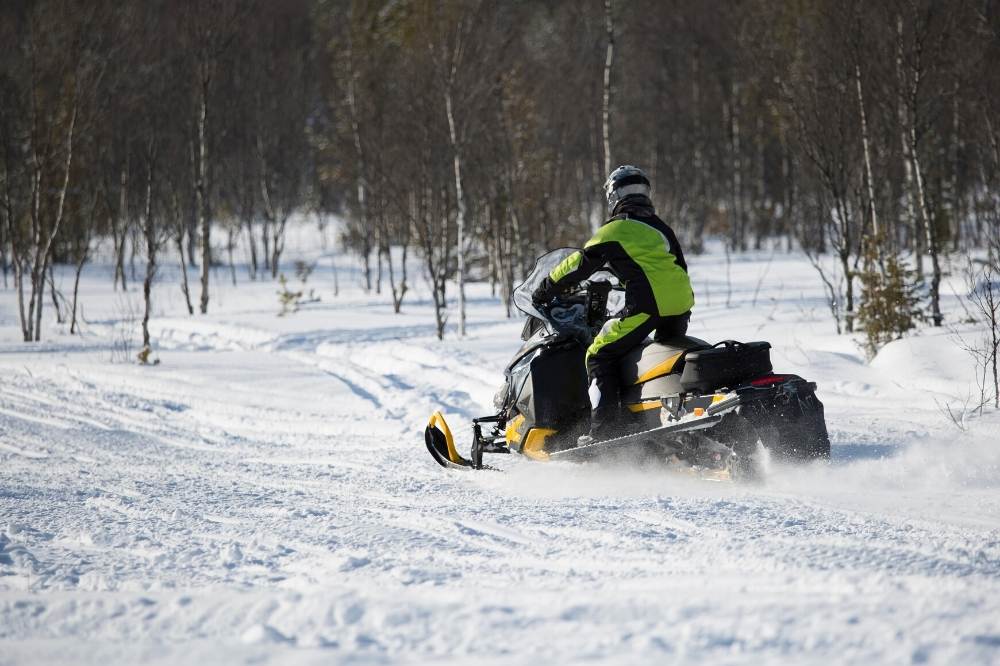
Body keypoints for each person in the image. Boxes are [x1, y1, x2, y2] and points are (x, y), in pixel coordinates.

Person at [532, 165, 694, 443]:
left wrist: (547, 287)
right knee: (659, 357)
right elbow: (678, 266)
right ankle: (656, 414)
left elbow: (579, 264)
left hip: (648, 305)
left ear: (614, 196)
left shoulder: (614, 229)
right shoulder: (661, 228)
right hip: (681, 303)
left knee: (599, 354)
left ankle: (604, 433)